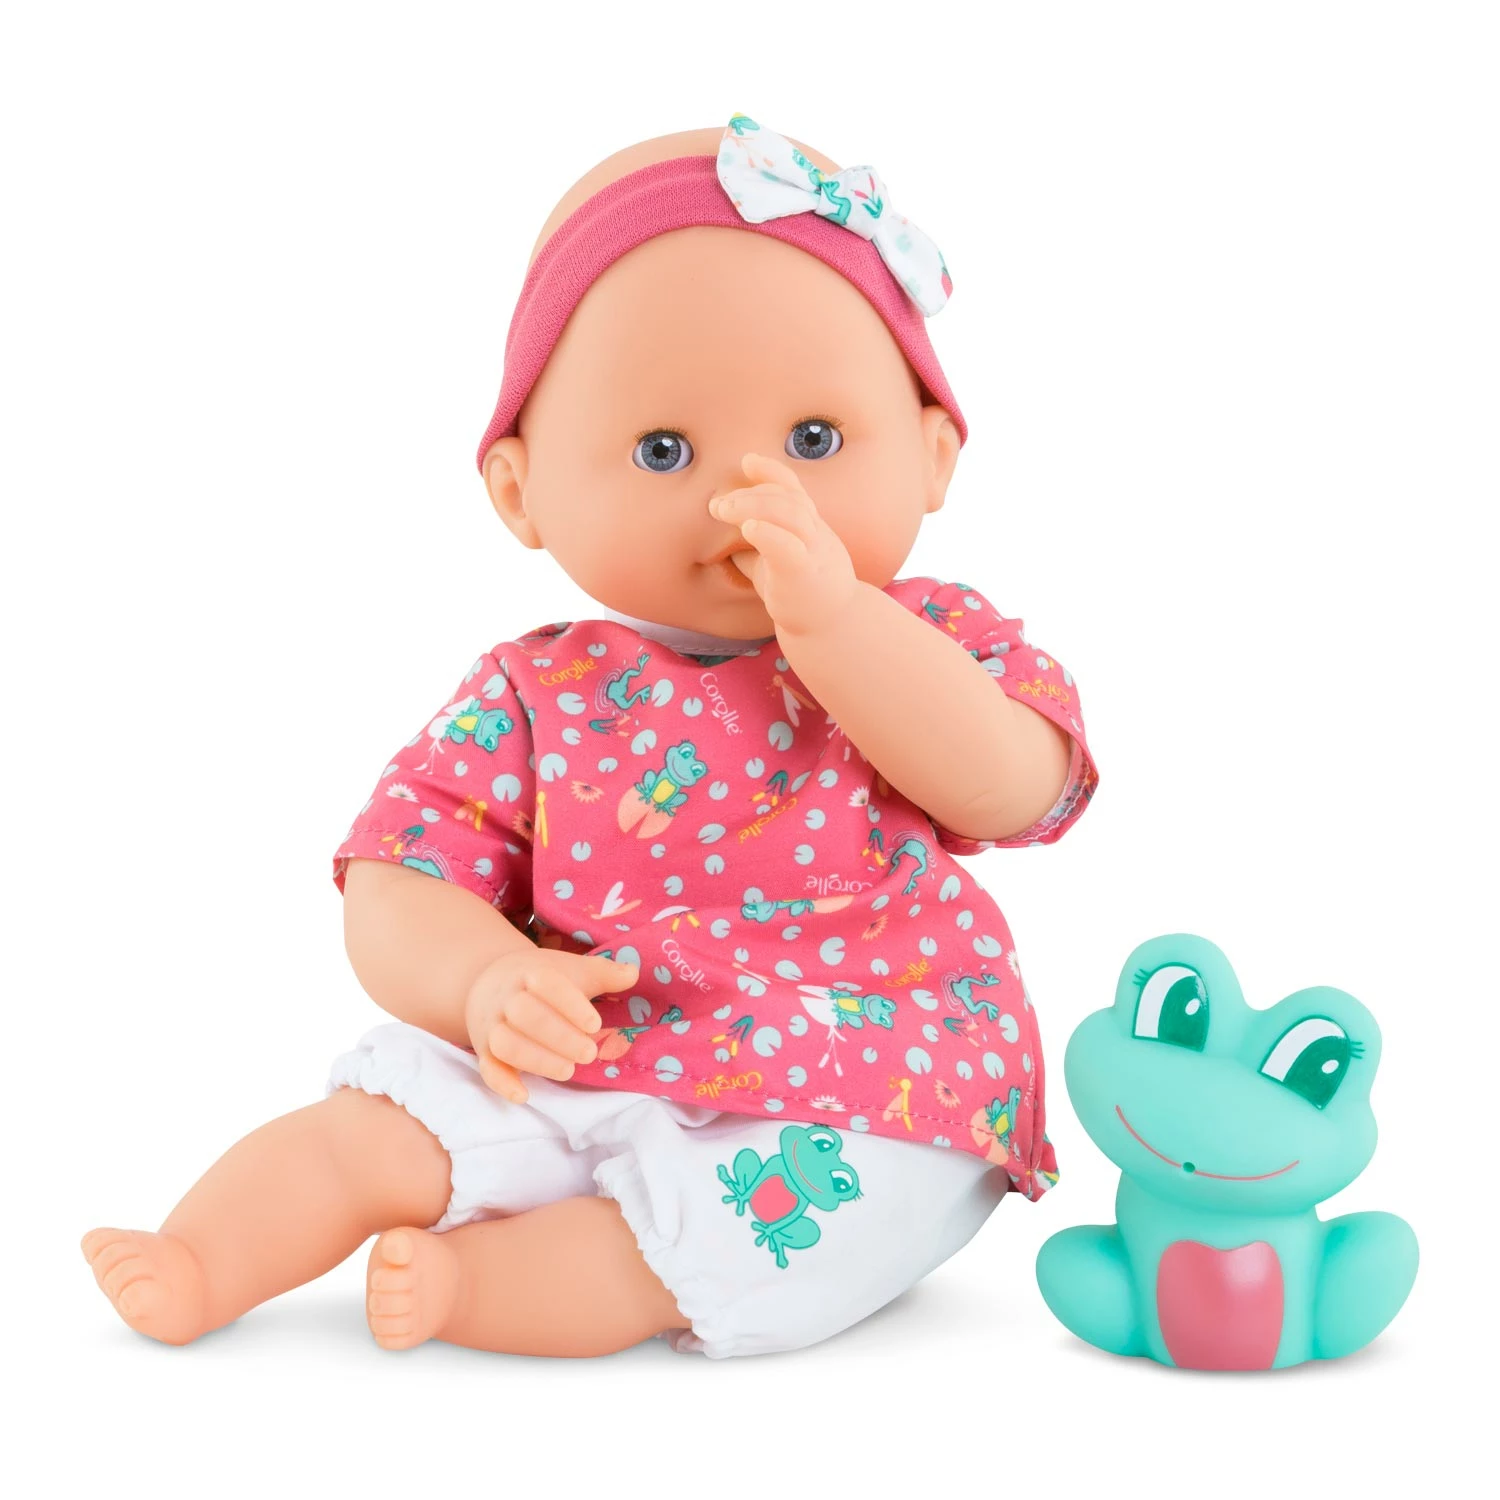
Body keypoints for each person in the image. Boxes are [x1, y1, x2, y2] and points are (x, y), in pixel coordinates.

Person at [84, 115, 1098, 1358]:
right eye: (663, 450)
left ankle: (488, 1289)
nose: (747, 494)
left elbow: (1013, 785)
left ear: (935, 455)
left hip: (867, 1069)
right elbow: (399, 875)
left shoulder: (935, 636)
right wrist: (483, 982)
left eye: (815, 441)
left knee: (811, 1214)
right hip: (591, 1042)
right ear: (521, 489)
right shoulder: (538, 691)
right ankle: (204, 1257)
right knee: (376, 1124)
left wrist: (842, 626)